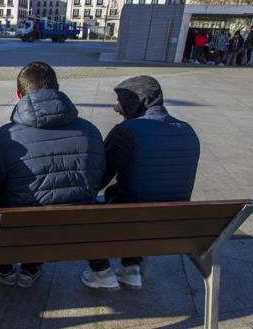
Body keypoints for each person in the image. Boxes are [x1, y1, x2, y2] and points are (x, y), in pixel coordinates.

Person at [0, 61, 105, 288]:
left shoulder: (4, 138)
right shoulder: (91, 132)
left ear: (19, 94)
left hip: (19, 233)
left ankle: (3, 268)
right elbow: (95, 182)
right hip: (75, 231)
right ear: (57, 89)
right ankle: (31, 268)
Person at [81, 75, 200, 291]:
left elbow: (97, 180)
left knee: (88, 205)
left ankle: (102, 271)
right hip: (172, 226)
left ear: (139, 102)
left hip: (131, 221)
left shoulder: (127, 131)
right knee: (133, 197)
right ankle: (131, 268)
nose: (116, 108)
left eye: (121, 101)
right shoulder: (188, 130)